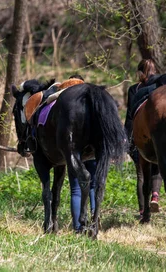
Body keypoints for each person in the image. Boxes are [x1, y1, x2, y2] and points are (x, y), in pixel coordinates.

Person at [125, 59, 166, 215]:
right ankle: (155, 196)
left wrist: (127, 137)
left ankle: (142, 209)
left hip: (140, 135)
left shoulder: (135, 89)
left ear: (140, 72)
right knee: (158, 166)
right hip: (160, 134)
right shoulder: (162, 90)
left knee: (141, 173)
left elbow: (130, 115)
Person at [65, 74, 97, 232]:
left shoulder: (65, 105)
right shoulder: (92, 104)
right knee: (93, 186)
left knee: (76, 189)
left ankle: (78, 227)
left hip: (75, 151)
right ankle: (94, 221)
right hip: (93, 151)